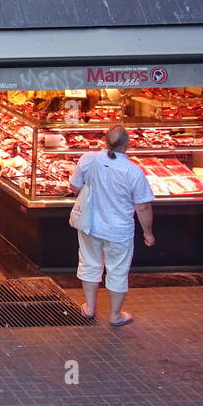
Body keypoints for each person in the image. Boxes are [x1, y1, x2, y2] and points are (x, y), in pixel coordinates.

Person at [71, 126, 155, 327]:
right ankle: (115, 315)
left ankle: (90, 308)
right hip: (119, 230)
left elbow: (74, 186)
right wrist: (148, 233)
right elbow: (142, 206)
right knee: (117, 270)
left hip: (90, 224)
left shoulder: (89, 159)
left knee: (90, 263)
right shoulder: (132, 171)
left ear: (104, 141)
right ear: (128, 144)